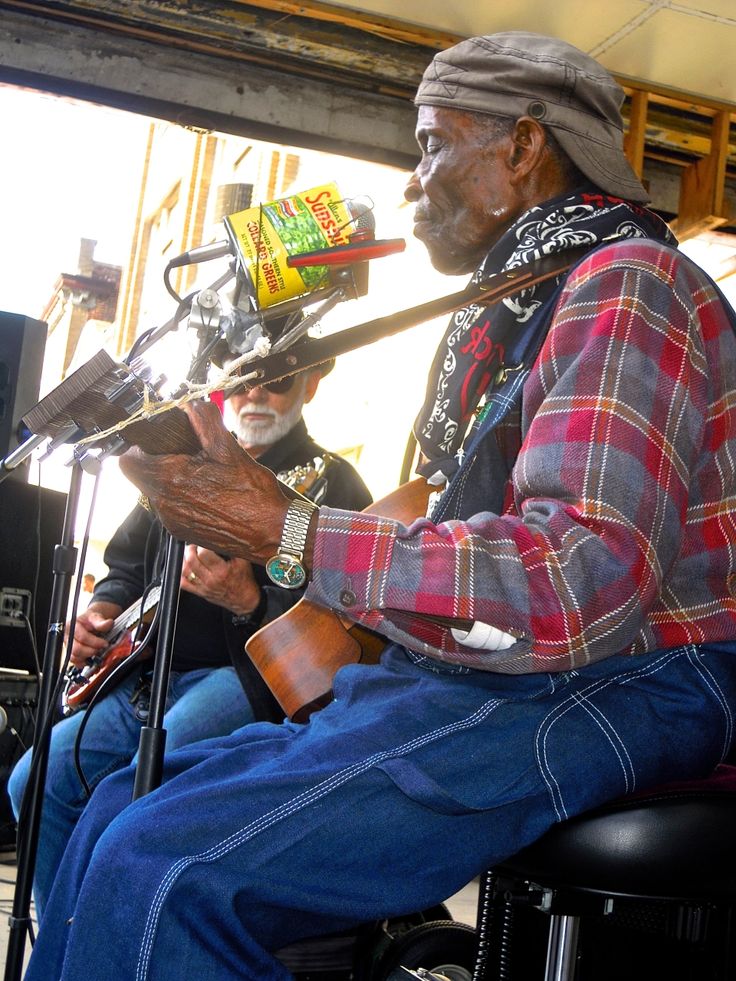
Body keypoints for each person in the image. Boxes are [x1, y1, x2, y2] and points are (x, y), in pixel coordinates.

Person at [25, 32, 736, 981]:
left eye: (433, 142)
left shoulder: (625, 283)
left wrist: (282, 526)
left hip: (636, 677)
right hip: (515, 675)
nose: (415, 179)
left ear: (524, 149)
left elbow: (578, 581)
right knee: (117, 808)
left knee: (164, 869)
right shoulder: (523, 308)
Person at [8, 361, 372, 917]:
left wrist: (250, 604)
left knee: (136, 795)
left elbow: (343, 621)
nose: (255, 394)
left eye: (275, 379)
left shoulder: (335, 485)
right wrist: (101, 611)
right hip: (142, 672)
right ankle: (69, 939)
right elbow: (127, 564)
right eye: (243, 380)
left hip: (241, 680)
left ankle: (110, 943)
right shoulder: (175, 464)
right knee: (34, 782)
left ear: (311, 383)